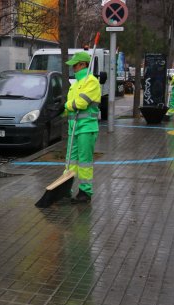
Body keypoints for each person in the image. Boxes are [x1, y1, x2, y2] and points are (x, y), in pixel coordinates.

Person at [63, 52, 101, 204]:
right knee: (70, 161)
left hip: (86, 128)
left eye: (75, 64)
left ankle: (85, 192)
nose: (73, 67)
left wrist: (66, 106)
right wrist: (61, 111)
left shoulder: (91, 82)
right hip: (74, 128)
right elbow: (71, 106)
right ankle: (66, 188)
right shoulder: (76, 84)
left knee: (84, 161)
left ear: (83, 64)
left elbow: (81, 103)